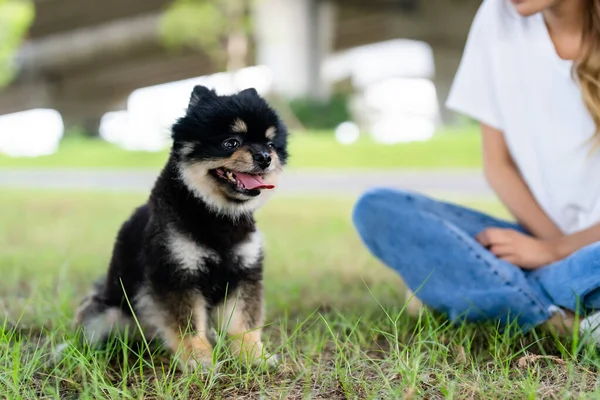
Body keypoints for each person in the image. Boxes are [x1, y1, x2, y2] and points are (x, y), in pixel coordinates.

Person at [352, 0, 600, 339]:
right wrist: (548, 248)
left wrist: (554, 252)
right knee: (378, 208)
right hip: (540, 240)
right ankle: (557, 315)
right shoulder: (497, 16)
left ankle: (478, 290)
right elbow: (497, 165)